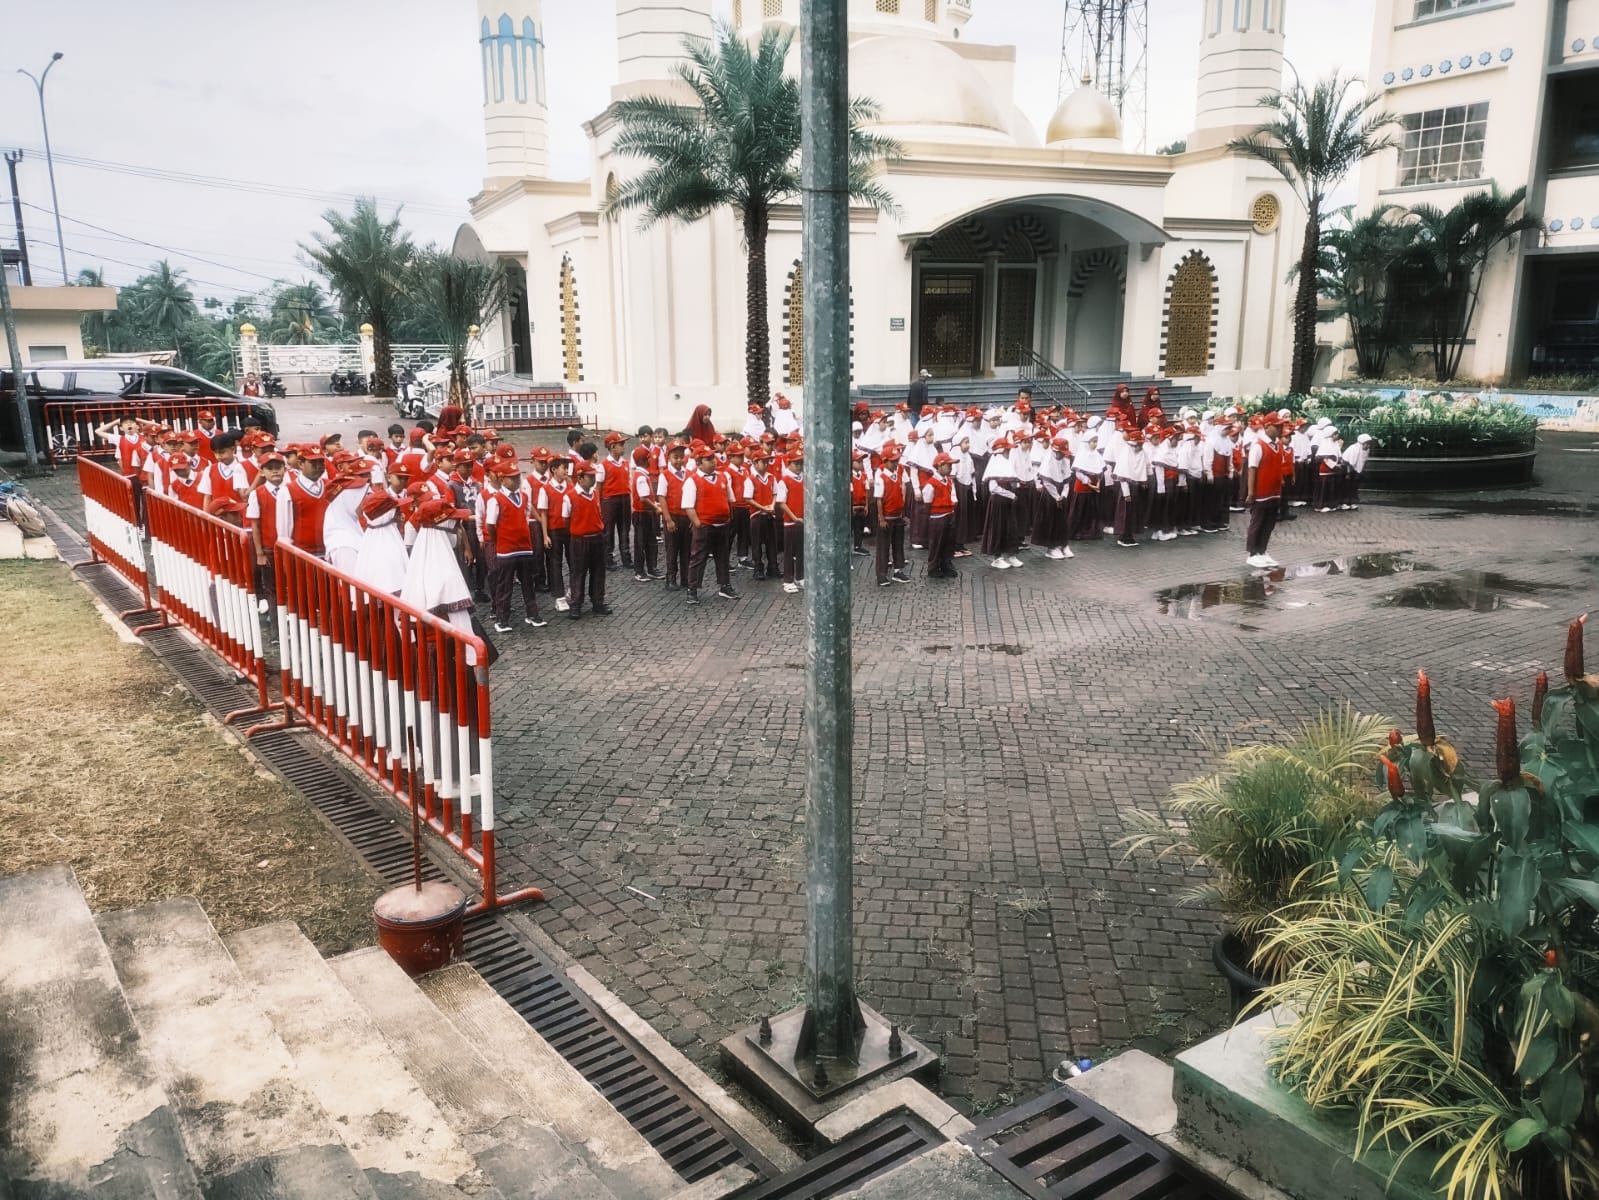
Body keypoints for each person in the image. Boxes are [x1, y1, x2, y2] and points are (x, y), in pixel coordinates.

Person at [482, 458, 547, 631]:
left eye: (518, 477)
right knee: (505, 585)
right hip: (506, 550)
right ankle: (502, 619)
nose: (517, 480)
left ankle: (532, 614)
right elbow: (490, 525)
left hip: (524, 547)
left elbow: (525, 519)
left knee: (528, 582)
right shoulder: (495, 500)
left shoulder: (524, 498)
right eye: (512, 477)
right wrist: (499, 540)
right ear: (502, 479)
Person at [681, 444, 738, 605]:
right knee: (698, 558)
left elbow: (730, 498)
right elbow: (688, 506)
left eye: (713, 458)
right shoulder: (693, 481)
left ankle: (725, 585)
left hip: (722, 524)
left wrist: (728, 518)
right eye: (708, 459)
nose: (713, 462)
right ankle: (692, 589)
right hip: (705, 526)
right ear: (699, 463)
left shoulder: (722, 477)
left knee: (723, 557)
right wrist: (698, 523)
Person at [563, 461, 611, 618]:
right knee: (578, 572)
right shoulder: (570, 496)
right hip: (580, 539)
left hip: (597, 537)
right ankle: (576, 604)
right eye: (590, 476)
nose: (593, 479)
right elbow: (566, 519)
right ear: (580, 477)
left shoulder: (595, 493)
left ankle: (598, 602)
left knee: (598, 572)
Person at [1244, 419, 1289, 569]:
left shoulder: (1278, 445)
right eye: (1276, 426)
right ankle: (1252, 553)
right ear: (1267, 426)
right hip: (1261, 491)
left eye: (1281, 426)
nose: (1279, 429)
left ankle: (1262, 550)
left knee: (1269, 522)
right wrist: (1251, 492)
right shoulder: (1258, 445)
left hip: (1274, 491)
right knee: (1258, 522)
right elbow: (1252, 469)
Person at [656, 441, 692, 590]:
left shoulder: (689, 474)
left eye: (681, 457)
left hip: (686, 517)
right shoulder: (664, 476)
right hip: (673, 517)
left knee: (686, 549)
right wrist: (668, 519)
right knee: (672, 549)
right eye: (675, 457)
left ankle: (686, 578)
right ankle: (671, 578)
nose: (678, 460)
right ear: (668, 457)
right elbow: (662, 497)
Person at [873, 444, 910, 587]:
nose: (896, 463)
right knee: (883, 546)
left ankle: (898, 570)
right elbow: (879, 500)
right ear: (885, 461)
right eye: (893, 461)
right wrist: (881, 518)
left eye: (897, 460)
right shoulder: (881, 477)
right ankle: (881, 574)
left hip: (898, 515)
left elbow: (903, 489)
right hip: (887, 517)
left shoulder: (899, 474)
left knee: (898, 544)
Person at [744, 446, 781, 581]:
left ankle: (773, 566)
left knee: (772, 542)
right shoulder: (751, 479)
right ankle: (758, 567)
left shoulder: (771, 477)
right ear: (755, 463)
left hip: (769, 513)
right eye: (762, 462)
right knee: (756, 543)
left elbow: (775, 493)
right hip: (757, 515)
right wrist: (762, 508)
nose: (765, 464)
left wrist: (772, 505)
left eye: (767, 462)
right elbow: (748, 498)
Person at [773, 440, 805, 594]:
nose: (799, 466)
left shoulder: (804, 479)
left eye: (801, 463)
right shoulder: (784, 480)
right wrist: (793, 517)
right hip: (790, 522)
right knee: (789, 552)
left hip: (801, 520)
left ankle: (800, 576)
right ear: (789, 463)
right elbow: (782, 503)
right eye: (796, 463)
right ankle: (788, 580)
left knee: (801, 551)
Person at [922, 451, 959, 579]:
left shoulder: (949, 481)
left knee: (948, 543)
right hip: (938, 517)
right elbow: (927, 501)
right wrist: (932, 515)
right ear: (940, 466)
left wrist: (953, 507)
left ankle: (946, 564)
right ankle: (933, 567)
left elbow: (953, 496)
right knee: (936, 543)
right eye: (948, 465)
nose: (951, 467)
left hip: (949, 514)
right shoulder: (931, 484)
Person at [598, 432, 632, 569]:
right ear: (612, 447)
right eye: (621, 444)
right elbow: (599, 487)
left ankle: (626, 557)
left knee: (625, 528)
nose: (623, 447)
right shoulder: (603, 465)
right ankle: (608, 558)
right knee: (609, 530)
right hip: (610, 500)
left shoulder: (625, 463)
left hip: (624, 498)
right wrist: (599, 505)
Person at [629, 445, 661, 582]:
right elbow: (643, 498)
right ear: (645, 459)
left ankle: (651, 568)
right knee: (641, 543)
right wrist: (655, 507)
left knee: (650, 541)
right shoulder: (641, 477)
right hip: (642, 514)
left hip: (644, 513)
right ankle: (640, 571)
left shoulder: (641, 475)